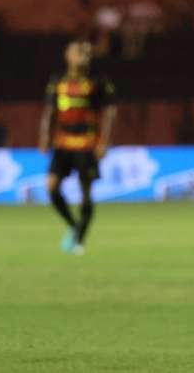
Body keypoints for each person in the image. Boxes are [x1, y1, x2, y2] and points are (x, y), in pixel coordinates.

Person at [38, 40, 116, 256]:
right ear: (67, 56)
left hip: (86, 143)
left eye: (85, 54)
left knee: (86, 194)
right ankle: (74, 225)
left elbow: (110, 112)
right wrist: (44, 135)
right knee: (51, 188)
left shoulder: (98, 81)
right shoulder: (58, 81)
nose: (83, 57)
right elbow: (49, 111)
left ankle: (79, 240)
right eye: (78, 53)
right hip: (62, 142)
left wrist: (104, 142)